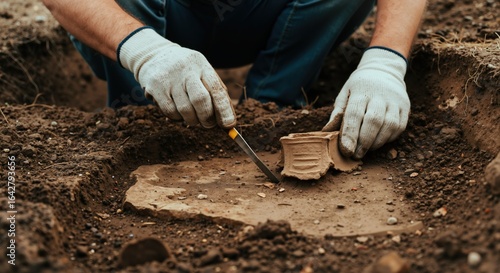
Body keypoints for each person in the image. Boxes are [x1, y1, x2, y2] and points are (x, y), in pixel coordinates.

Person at [42, 0, 426, 159]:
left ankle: (270, 110)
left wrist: (385, 61)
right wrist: (145, 52)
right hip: (148, 18)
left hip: (261, 15)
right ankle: (143, 124)